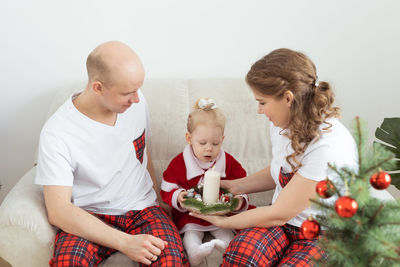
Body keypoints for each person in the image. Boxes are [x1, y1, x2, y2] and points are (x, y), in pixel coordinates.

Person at [190, 48, 357, 266]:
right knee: (241, 256)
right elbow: (280, 170)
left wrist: (220, 221)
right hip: (283, 225)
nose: (259, 110)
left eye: (262, 102)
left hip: (321, 234)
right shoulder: (280, 123)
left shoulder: (328, 146)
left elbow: (278, 214)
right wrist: (235, 186)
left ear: (288, 98)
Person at [35, 41, 188, 266]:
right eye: (128, 93)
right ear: (98, 87)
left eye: (138, 90)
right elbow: (59, 211)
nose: (136, 98)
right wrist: (126, 242)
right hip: (89, 216)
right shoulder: (57, 132)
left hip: (143, 209)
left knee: (171, 260)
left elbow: (142, 153)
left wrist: (157, 197)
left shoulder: (136, 102)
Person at [160, 98, 250, 266]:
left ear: (222, 139)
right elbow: (167, 186)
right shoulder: (180, 162)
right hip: (191, 216)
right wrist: (179, 197)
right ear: (189, 138)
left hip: (220, 215)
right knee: (191, 233)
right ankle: (194, 251)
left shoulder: (228, 162)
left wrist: (239, 201)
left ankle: (228, 249)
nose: (209, 148)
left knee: (225, 231)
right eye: (202, 143)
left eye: (215, 143)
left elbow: (242, 184)